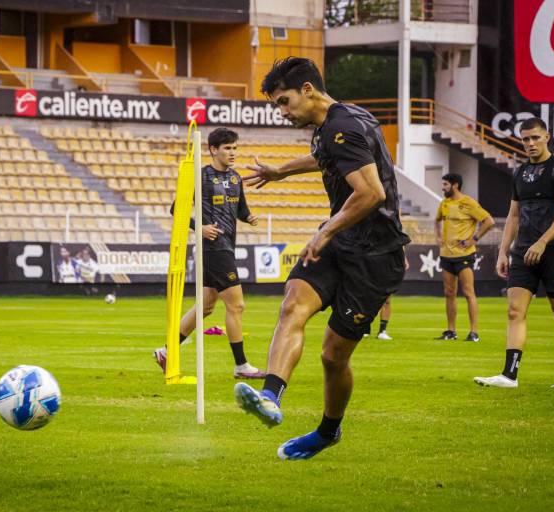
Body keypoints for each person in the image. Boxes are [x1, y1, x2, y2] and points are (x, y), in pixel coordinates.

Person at [234, 57, 410, 460]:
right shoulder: (336, 122)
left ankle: (329, 432)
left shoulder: (342, 126)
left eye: (284, 102)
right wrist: (282, 171)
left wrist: (325, 231)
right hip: (340, 242)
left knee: (333, 356)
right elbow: (327, 156)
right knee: (292, 304)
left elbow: (372, 193)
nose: (282, 112)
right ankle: (270, 398)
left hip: (375, 256)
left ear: (308, 90)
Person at [474, 117, 554, 388]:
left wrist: (542, 242)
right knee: (514, 311)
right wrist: (503, 252)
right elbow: (513, 215)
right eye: (525, 139)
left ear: (546, 137)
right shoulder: (520, 173)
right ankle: (509, 376)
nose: (530, 143)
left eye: (535, 137)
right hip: (523, 252)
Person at [153, 127, 265, 379]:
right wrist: (200, 228)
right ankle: (241, 365)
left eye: (235, 148)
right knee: (236, 305)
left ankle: (166, 351)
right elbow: (176, 209)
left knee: (206, 306)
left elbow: (241, 209)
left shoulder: (235, 178)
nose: (232, 152)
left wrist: (249, 217)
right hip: (214, 249)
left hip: (227, 246)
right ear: (213, 150)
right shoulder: (201, 176)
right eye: (227, 148)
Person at [434, 174, 495, 342]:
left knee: (468, 292)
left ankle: (474, 332)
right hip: (446, 255)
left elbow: (489, 221)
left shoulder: (468, 202)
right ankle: (451, 331)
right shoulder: (444, 203)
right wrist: (438, 237)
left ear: (455, 185)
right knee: (449, 293)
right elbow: (437, 220)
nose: (443, 187)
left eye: (445, 184)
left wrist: (474, 239)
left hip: (464, 255)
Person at [364, 254, 409, 340]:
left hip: (389, 266)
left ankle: (382, 331)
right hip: (374, 262)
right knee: (369, 298)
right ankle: (365, 328)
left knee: (387, 300)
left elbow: (399, 246)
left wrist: (403, 258)